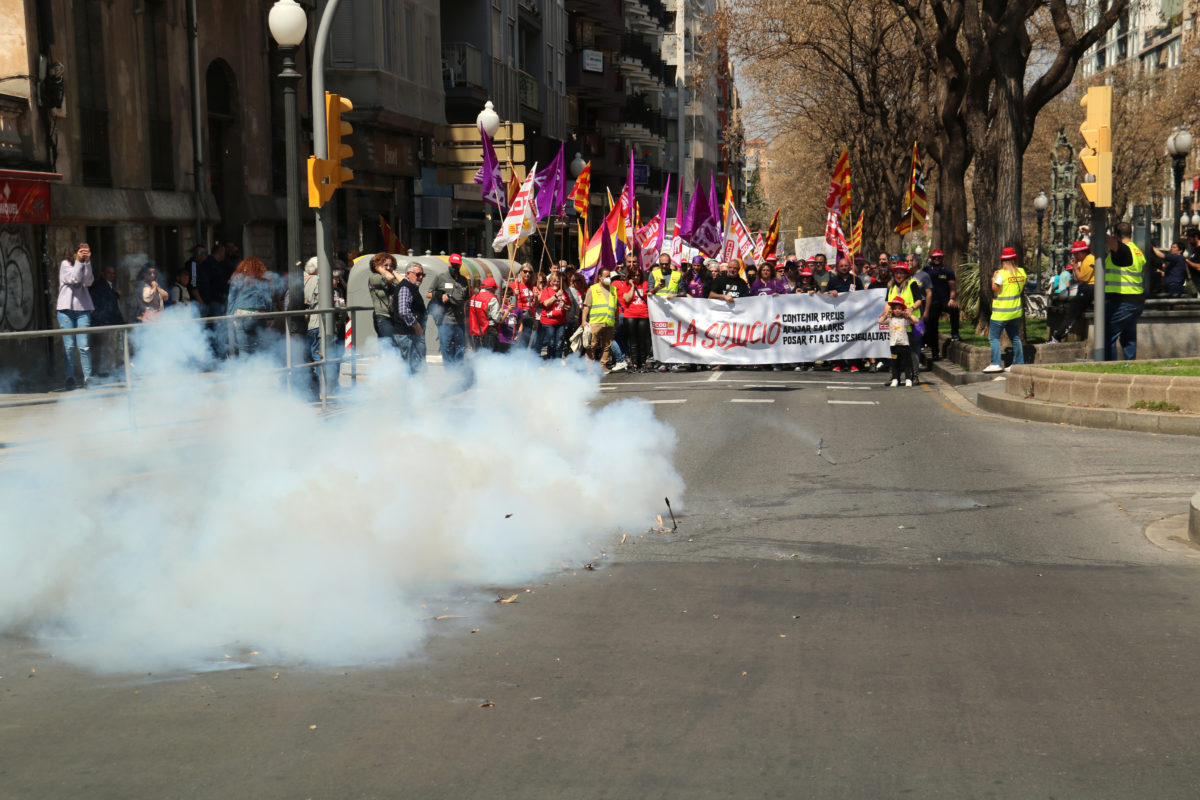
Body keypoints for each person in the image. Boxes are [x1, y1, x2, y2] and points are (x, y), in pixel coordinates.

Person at [1102, 221, 1146, 361]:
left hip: (1122, 303)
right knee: (1128, 338)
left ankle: (1109, 369)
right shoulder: (1137, 251)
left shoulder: (1124, 250)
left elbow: (1107, 240)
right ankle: (1129, 367)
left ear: (1116, 236)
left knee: (1106, 336)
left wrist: (1092, 228)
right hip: (1135, 302)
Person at [57, 242, 95, 389]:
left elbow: (88, 281)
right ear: (75, 252)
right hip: (66, 310)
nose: (84, 253)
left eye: (87, 251)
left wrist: (88, 262)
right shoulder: (65, 264)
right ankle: (70, 377)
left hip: (83, 310)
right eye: (82, 251)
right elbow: (74, 279)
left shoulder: (86, 264)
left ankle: (88, 377)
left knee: (84, 346)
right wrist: (79, 261)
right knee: (69, 347)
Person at [982, 247, 1026, 373]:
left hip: (1001, 313)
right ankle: (1019, 363)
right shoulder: (1022, 272)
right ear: (1015, 259)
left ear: (1004, 261)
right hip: (1015, 312)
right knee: (1015, 337)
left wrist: (993, 279)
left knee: (994, 337)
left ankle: (995, 363)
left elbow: (995, 290)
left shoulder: (1001, 274)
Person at [225, 257, 281, 356]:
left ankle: (247, 370)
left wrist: (230, 316)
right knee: (258, 349)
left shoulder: (238, 278)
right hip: (260, 315)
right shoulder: (263, 279)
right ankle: (258, 369)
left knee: (244, 350)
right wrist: (270, 317)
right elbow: (268, 299)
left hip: (242, 315)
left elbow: (231, 298)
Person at [885, 261, 924, 382]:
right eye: (897, 272)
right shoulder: (891, 286)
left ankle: (915, 375)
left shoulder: (912, 284)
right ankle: (895, 377)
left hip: (911, 323)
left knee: (912, 351)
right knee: (895, 352)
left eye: (901, 273)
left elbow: (919, 300)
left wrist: (911, 309)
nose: (898, 275)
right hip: (897, 324)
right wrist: (886, 313)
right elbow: (887, 303)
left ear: (906, 274)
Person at [1051, 240, 1094, 342]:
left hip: (1088, 289)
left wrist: (1075, 267)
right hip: (1088, 288)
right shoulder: (1088, 259)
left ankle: (1058, 337)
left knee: (1072, 312)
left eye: (1076, 253)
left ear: (1083, 252)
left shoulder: (1088, 261)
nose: (1075, 256)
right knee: (1073, 310)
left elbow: (1082, 279)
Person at [825, 257, 864, 372]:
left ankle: (853, 363)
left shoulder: (856, 280)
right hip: (837, 316)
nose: (844, 268)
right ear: (838, 267)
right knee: (838, 340)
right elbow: (824, 294)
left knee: (852, 340)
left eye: (846, 265)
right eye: (841, 266)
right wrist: (830, 292)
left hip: (853, 316)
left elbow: (864, 296)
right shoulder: (833, 281)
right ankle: (839, 363)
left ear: (850, 266)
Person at [922, 249, 959, 358]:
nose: (937, 259)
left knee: (954, 310)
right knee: (932, 327)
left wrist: (952, 299)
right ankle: (935, 352)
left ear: (942, 258)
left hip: (945, 300)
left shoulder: (948, 271)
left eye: (939, 257)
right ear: (931, 258)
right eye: (934, 257)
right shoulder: (927, 270)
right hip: (931, 302)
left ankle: (955, 333)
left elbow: (953, 287)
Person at [433, 253, 469, 364]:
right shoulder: (441, 277)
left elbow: (464, 298)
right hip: (445, 320)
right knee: (446, 346)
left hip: (459, 320)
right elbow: (429, 293)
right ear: (449, 263)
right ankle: (449, 371)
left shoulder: (463, 280)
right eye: (453, 264)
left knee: (460, 348)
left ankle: (458, 370)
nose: (454, 267)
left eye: (457, 265)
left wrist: (450, 297)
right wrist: (440, 295)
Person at [393, 262, 428, 374]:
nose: (421, 278)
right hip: (407, 335)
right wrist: (416, 325)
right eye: (418, 274)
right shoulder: (405, 288)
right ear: (408, 274)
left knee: (417, 366)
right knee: (410, 367)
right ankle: (409, 390)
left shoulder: (411, 287)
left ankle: (416, 389)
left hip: (412, 335)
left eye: (423, 275)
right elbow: (403, 311)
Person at [89, 263, 123, 378]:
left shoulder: (109, 285)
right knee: (107, 347)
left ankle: (110, 369)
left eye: (113, 273)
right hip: (105, 320)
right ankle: (105, 371)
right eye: (109, 272)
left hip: (109, 320)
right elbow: (104, 301)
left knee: (111, 346)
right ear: (103, 274)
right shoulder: (100, 285)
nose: (112, 275)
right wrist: (116, 295)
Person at [582, 267, 618, 371]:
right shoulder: (592, 289)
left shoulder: (613, 289)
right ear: (600, 277)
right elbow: (586, 306)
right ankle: (589, 366)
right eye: (606, 276)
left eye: (609, 276)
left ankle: (603, 364)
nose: (608, 278)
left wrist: (617, 320)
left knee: (607, 345)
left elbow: (615, 307)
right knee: (592, 345)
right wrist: (584, 321)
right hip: (595, 322)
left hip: (609, 322)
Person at [617, 263, 651, 371]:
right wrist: (632, 286)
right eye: (633, 276)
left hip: (643, 314)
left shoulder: (645, 284)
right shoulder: (626, 285)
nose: (636, 277)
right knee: (633, 341)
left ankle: (643, 362)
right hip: (630, 315)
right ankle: (635, 363)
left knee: (643, 340)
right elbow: (627, 299)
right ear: (630, 277)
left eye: (637, 275)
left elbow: (649, 296)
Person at [368, 252, 402, 354]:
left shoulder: (390, 275)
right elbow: (390, 278)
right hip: (382, 316)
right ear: (378, 267)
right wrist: (379, 269)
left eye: (391, 265)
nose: (388, 267)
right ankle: (387, 368)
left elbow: (404, 283)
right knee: (389, 345)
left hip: (394, 316)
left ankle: (393, 368)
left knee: (396, 346)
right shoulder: (374, 277)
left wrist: (392, 270)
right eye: (385, 265)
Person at [878, 296, 917, 387]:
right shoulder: (890, 320)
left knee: (906, 362)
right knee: (895, 363)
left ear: (903, 309)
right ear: (892, 310)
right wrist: (886, 314)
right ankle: (895, 378)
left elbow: (916, 320)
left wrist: (908, 314)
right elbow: (880, 321)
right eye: (895, 308)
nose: (897, 310)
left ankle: (908, 378)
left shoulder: (905, 320)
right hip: (894, 345)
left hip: (904, 345)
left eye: (899, 308)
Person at [536, 272, 570, 360]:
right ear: (550, 281)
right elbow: (546, 304)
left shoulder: (564, 292)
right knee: (551, 343)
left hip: (561, 322)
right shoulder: (546, 290)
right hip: (548, 322)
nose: (556, 283)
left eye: (558, 281)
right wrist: (556, 296)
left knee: (559, 343)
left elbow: (569, 307)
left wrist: (565, 306)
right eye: (554, 281)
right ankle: (551, 362)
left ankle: (557, 363)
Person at [468, 276, 504, 352]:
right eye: (495, 288)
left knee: (479, 355)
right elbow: (497, 318)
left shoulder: (474, 297)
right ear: (491, 288)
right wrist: (502, 312)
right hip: (489, 330)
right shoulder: (492, 298)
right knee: (491, 356)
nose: (495, 290)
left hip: (475, 331)